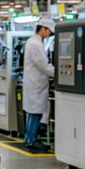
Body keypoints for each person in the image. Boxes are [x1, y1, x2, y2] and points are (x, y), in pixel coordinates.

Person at [23, 18, 55, 152]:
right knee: (35, 113)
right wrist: (57, 72)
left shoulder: (32, 41)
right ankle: (31, 140)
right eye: (49, 31)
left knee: (33, 112)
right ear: (43, 29)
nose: (49, 34)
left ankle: (29, 138)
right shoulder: (36, 44)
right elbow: (43, 65)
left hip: (34, 82)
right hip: (35, 84)